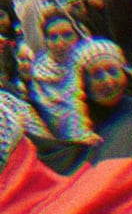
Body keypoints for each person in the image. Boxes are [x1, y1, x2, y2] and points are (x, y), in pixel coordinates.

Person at [29, 10, 101, 146]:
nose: (60, 43)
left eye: (67, 35)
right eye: (52, 37)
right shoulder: (39, 75)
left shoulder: (92, 63)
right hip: (64, 149)